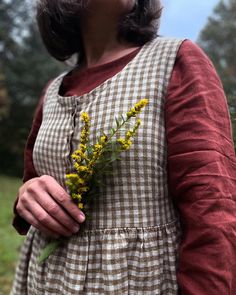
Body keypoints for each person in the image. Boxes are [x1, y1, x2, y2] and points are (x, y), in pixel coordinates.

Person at [11, 0, 236, 294]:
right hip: (42, 281)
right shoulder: (53, 91)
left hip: (134, 282)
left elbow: (212, 209)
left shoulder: (175, 62)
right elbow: (31, 182)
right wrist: (27, 197)